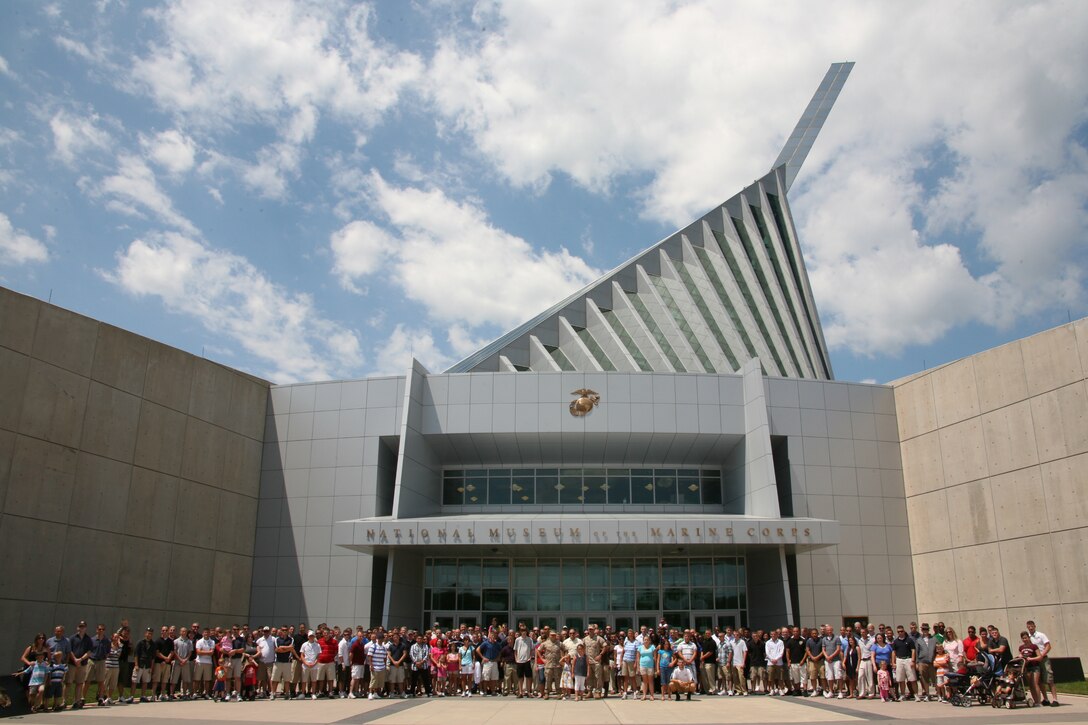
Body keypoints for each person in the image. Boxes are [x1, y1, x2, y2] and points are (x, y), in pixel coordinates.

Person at [1026, 620, 1059, 707]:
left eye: (1031, 626)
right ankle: (1045, 699)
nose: (1030, 628)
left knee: (1049, 679)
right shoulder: (1028, 637)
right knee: (1039, 681)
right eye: (1028, 627)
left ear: (1034, 626)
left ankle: (1055, 699)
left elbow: (1048, 646)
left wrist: (1041, 655)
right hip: (1034, 660)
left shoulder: (1041, 635)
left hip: (1043, 659)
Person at [890, 625, 917, 701]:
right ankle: (902, 694)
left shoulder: (909, 640)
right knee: (901, 679)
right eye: (898, 631)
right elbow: (893, 652)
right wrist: (893, 662)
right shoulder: (895, 641)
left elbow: (913, 650)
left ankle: (916, 695)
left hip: (908, 659)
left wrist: (913, 661)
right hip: (899, 660)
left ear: (904, 631)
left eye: (901, 631)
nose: (900, 633)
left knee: (912, 679)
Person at [1017, 630, 1043, 706]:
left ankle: (1038, 701)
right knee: (1031, 684)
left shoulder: (1034, 646)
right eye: (1023, 638)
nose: (1024, 639)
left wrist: (1031, 659)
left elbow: (1040, 657)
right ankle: (1035, 701)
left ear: (1028, 637)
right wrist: (1020, 656)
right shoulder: (1021, 647)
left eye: (1026, 638)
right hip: (1026, 667)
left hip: (1035, 666)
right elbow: (1020, 656)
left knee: (1035, 683)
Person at [133, 627, 157, 703]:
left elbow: (153, 657)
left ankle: (143, 696)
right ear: (145, 633)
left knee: (145, 682)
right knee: (134, 681)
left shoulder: (153, 644)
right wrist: (136, 665)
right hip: (140, 664)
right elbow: (136, 654)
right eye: (148, 633)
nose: (149, 635)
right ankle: (131, 696)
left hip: (147, 665)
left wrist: (151, 667)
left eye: (151, 633)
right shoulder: (140, 642)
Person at [915, 623, 936, 701]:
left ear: (928, 629)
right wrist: (917, 663)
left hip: (932, 662)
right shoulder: (918, 640)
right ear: (921, 630)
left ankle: (939, 694)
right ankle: (927, 694)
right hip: (922, 661)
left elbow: (937, 650)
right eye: (923, 629)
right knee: (924, 678)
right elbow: (916, 652)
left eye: (926, 629)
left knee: (934, 679)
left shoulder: (933, 639)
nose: (925, 631)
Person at [366, 631, 389, 700]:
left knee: (379, 682)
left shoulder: (384, 647)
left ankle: (375, 693)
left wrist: (385, 666)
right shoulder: (373, 646)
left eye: (382, 638)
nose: (381, 639)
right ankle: (370, 693)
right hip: (375, 666)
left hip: (381, 666)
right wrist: (371, 665)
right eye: (379, 638)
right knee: (373, 681)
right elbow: (370, 656)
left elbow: (385, 657)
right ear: (377, 639)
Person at [765, 629, 786, 696]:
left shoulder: (780, 642)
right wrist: (772, 659)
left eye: (774, 634)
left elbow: (781, 652)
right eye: (772, 634)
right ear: (770, 635)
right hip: (770, 663)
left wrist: (776, 659)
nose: (773, 635)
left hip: (779, 662)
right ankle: (772, 690)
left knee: (780, 677)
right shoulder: (768, 642)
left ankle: (780, 689)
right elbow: (767, 652)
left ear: (777, 635)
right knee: (771, 677)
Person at [620, 629, 639, 699]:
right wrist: (621, 661)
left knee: (632, 677)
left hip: (632, 661)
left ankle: (635, 692)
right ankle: (625, 693)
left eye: (631, 633)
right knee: (625, 677)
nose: (630, 634)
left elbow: (637, 654)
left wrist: (636, 663)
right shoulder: (626, 641)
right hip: (625, 660)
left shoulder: (636, 642)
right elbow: (623, 651)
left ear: (633, 634)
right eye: (629, 633)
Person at [637, 636, 656, 701]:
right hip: (642, 665)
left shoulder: (652, 647)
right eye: (645, 640)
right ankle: (644, 695)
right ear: (643, 640)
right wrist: (638, 667)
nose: (646, 641)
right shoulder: (640, 648)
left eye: (647, 640)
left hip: (650, 666)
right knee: (644, 681)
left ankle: (651, 695)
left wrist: (655, 667)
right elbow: (638, 658)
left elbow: (655, 657)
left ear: (649, 640)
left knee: (650, 681)